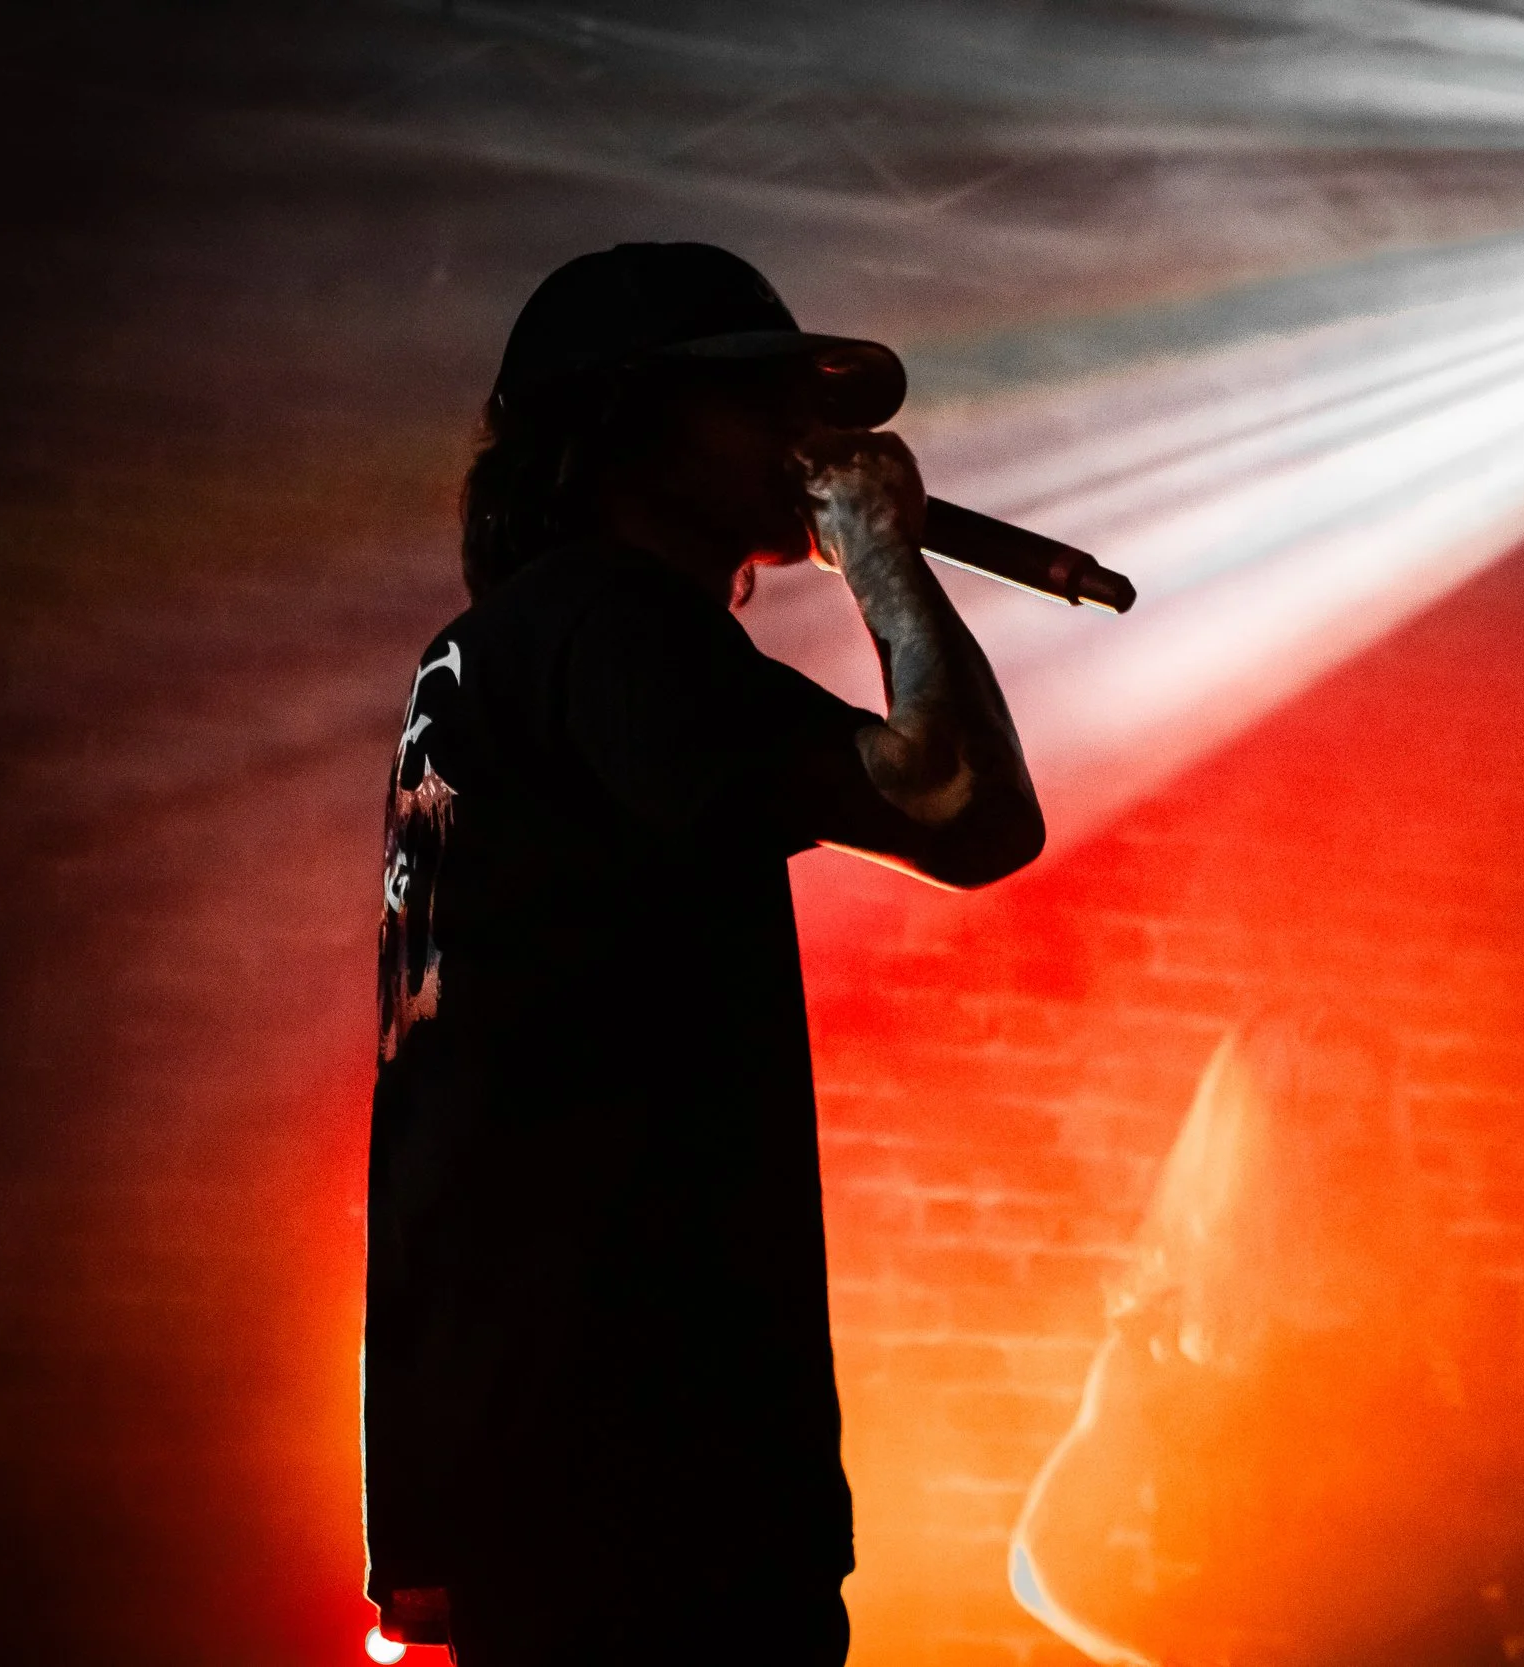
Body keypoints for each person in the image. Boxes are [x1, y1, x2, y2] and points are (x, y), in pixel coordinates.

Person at [363, 243, 1043, 1666]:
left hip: (527, 1450)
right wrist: (880, 551)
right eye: (761, 401)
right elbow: (968, 805)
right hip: (651, 1456)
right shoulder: (617, 625)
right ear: (627, 423)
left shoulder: (491, 654)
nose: (812, 438)